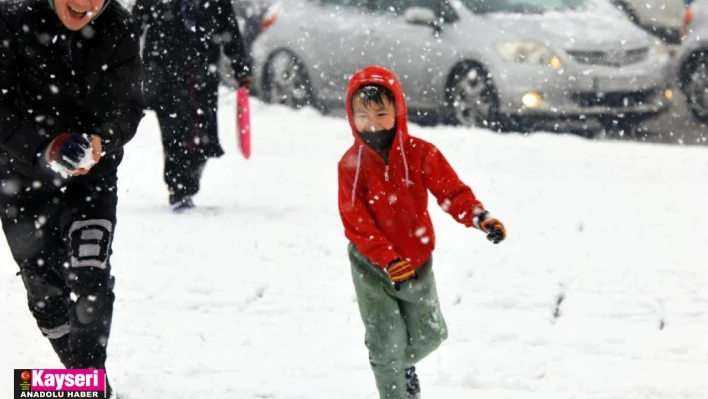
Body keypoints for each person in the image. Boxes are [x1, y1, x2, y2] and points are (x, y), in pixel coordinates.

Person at [0, 0, 144, 396]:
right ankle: (81, 380)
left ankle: (87, 388)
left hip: (91, 179)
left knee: (89, 272)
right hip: (20, 177)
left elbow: (128, 105)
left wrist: (102, 140)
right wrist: (45, 149)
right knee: (45, 293)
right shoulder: (12, 19)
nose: (86, 4)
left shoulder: (118, 25)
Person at [338, 65, 507, 399]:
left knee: (430, 335)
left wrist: (479, 217)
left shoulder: (421, 154)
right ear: (351, 116)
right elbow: (355, 220)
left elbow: (452, 192)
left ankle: (402, 365)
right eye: (362, 116)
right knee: (384, 340)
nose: (372, 124)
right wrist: (386, 259)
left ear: (398, 111)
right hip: (371, 266)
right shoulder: (350, 166)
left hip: (417, 260)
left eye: (381, 114)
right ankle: (395, 386)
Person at [133, 0, 251, 212]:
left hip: (203, 74)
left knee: (203, 132)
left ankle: (188, 180)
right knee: (173, 132)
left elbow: (229, 29)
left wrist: (241, 68)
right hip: (165, 73)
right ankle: (178, 187)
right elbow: (134, 26)